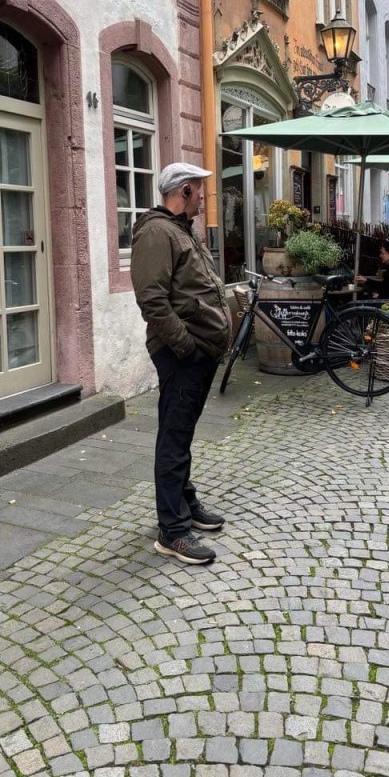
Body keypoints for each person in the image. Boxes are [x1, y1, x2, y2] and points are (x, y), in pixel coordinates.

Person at [130, 162, 232, 565]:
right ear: (184, 191)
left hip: (198, 351)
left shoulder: (181, 229)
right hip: (181, 354)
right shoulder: (157, 232)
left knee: (182, 434)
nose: (203, 196)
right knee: (173, 439)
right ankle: (171, 531)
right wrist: (186, 346)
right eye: (199, 190)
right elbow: (152, 299)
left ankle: (185, 504)